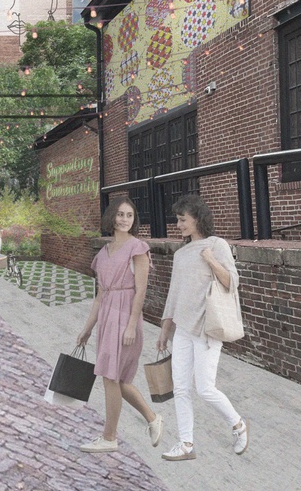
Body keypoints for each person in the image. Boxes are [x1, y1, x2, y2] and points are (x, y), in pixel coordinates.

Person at [157, 194, 248, 461]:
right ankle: (186, 444)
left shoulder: (216, 244)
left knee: (205, 389)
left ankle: (239, 425)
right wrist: (164, 332)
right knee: (181, 389)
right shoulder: (181, 253)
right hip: (183, 329)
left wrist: (210, 259)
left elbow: (232, 283)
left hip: (207, 328)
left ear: (197, 218)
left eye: (183, 219)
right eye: (177, 219)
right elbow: (173, 296)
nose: (179, 224)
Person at [77, 196, 163, 453]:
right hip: (107, 317)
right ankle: (152, 418)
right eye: (120, 214)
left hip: (126, 316)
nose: (125, 219)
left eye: (129, 215)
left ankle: (109, 437)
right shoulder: (103, 253)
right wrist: (87, 329)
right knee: (115, 379)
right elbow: (100, 295)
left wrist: (130, 325)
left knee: (111, 377)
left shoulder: (138, 247)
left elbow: (141, 290)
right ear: (111, 217)